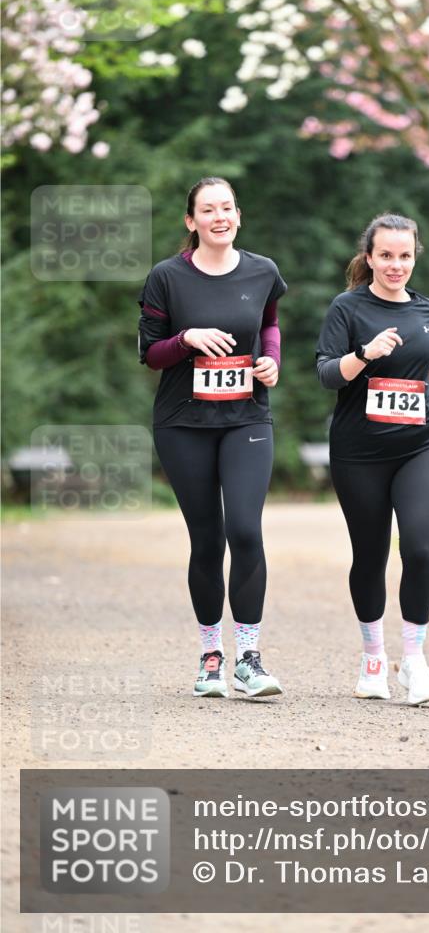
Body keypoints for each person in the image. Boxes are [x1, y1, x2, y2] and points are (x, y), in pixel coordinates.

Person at [316, 212, 429, 706]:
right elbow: (327, 374)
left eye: (404, 256)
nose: (395, 265)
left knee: (421, 548)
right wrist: (364, 354)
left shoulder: (426, 308)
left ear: (414, 257)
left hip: (421, 443)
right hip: (359, 451)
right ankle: (372, 659)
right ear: (369, 257)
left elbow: (426, 360)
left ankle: (415, 661)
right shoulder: (347, 307)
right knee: (370, 555)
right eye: (385, 255)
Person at [138, 177, 287, 698]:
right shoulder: (167, 278)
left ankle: (248, 656)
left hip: (247, 417)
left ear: (238, 216)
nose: (218, 216)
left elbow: (269, 324)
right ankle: (210, 657)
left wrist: (272, 360)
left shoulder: (262, 270)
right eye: (208, 209)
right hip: (183, 423)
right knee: (207, 538)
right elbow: (151, 352)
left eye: (227, 207)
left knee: (245, 530)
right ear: (191, 221)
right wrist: (187, 339)